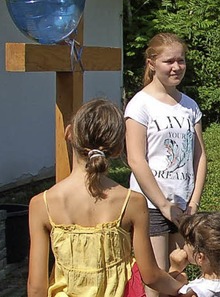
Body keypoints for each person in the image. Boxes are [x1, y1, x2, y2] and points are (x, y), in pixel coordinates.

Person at [27, 99, 184, 297]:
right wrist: (187, 289)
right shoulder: (132, 202)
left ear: (68, 134)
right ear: (118, 149)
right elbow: (151, 276)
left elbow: (36, 287)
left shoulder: (42, 204)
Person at [125, 32, 208, 297]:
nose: (176, 67)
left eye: (181, 61)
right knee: (157, 279)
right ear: (151, 63)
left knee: (181, 272)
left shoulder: (190, 106)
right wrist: (163, 204)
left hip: (183, 203)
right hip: (150, 203)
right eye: (169, 61)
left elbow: (199, 156)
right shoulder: (140, 104)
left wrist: (193, 201)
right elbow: (135, 159)